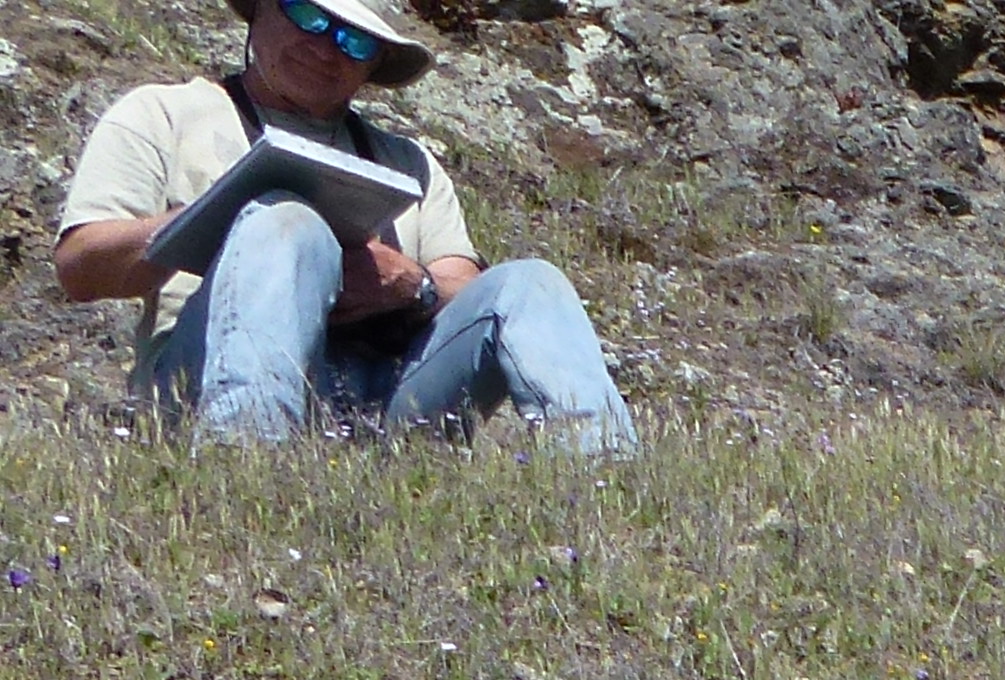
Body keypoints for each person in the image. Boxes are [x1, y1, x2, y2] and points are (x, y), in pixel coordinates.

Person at [51, 0, 635, 452]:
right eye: (307, 15)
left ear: (373, 64)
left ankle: (603, 477)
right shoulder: (162, 114)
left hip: (384, 394)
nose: (325, 47)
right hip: (202, 381)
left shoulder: (408, 163)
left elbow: (463, 280)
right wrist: (217, 219)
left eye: (354, 40)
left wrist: (411, 285)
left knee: (531, 282)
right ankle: (245, 466)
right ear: (260, 11)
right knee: (285, 220)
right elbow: (80, 267)